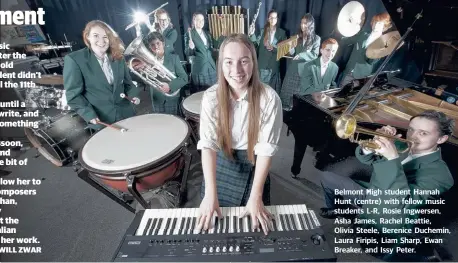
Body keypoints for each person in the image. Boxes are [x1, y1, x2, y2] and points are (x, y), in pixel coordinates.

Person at [319, 110, 454, 260]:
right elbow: (369, 160)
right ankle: (342, 215)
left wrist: (391, 159)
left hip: (390, 218)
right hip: (372, 195)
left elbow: (402, 202)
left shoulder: (442, 176)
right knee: (327, 177)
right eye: (411, 129)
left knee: (375, 250)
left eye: (423, 133)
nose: (413, 137)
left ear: (441, 139)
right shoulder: (400, 144)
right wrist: (369, 147)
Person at [196, 34, 283, 235]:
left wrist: (256, 196)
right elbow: (208, 146)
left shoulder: (270, 98)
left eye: (244, 61)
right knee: (214, 228)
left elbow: (265, 151)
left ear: (253, 62)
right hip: (222, 162)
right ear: (221, 64)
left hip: (255, 164)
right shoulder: (211, 97)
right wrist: (210, 194)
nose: (236, 71)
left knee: (254, 229)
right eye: (229, 62)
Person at [63, 20, 139, 130]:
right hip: (101, 119)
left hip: (126, 113)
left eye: (105, 37)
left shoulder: (117, 56)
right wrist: (89, 115)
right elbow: (73, 96)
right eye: (96, 36)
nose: (101, 41)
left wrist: (133, 96)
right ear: (87, 37)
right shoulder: (75, 60)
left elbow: (128, 83)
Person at [133, 32, 188, 115]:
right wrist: (142, 71)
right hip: (157, 99)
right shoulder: (147, 62)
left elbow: (184, 78)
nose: (156, 46)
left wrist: (170, 86)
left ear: (163, 43)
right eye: (152, 45)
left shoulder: (174, 58)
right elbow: (146, 81)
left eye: (158, 43)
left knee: (175, 122)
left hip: (172, 99)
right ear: (150, 47)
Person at [338, 12, 391, 88]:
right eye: (375, 22)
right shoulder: (363, 34)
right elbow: (346, 40)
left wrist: (377, 50)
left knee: (353, 97)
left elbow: (371, 62)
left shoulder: (383, 44)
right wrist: (348, 26)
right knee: (340, 95)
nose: (376, 25)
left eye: (379, 23)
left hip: (362, 77)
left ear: (384, 26)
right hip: (348, 72)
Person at [279, 14, 321, 109]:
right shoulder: (297, 37)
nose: (302, 25)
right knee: (286, 94)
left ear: (310, 24)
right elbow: (293, 53)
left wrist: (301, 55)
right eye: (302, 23)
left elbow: (315, 54)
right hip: (292, 70)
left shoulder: (316, 39)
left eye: (305, 23)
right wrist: (290, 49)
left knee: (297, 99)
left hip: (304, 73)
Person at [248, 9, 287, 94]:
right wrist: (252, 34)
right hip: (262, 68)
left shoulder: (282, 33)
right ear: (268, 19)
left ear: (277, 19)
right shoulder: (263, 31)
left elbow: (285, 50)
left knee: (271, 94)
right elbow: (255, 45)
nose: (273, 20)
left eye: (275, 18)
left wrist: (274, 48)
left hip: (273, 69)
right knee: (260, 92)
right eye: (271, 18)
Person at [184, 12, 217, 92]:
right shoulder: (190, 34)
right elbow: (187, 52)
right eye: (198, 20)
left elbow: (210, 49)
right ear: (194, 21)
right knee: (201, 95)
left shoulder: (207, 33)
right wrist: (191, 48)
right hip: (200, 69)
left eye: (202, 20)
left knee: (213, 93)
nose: (201, 22)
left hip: (211, 66)